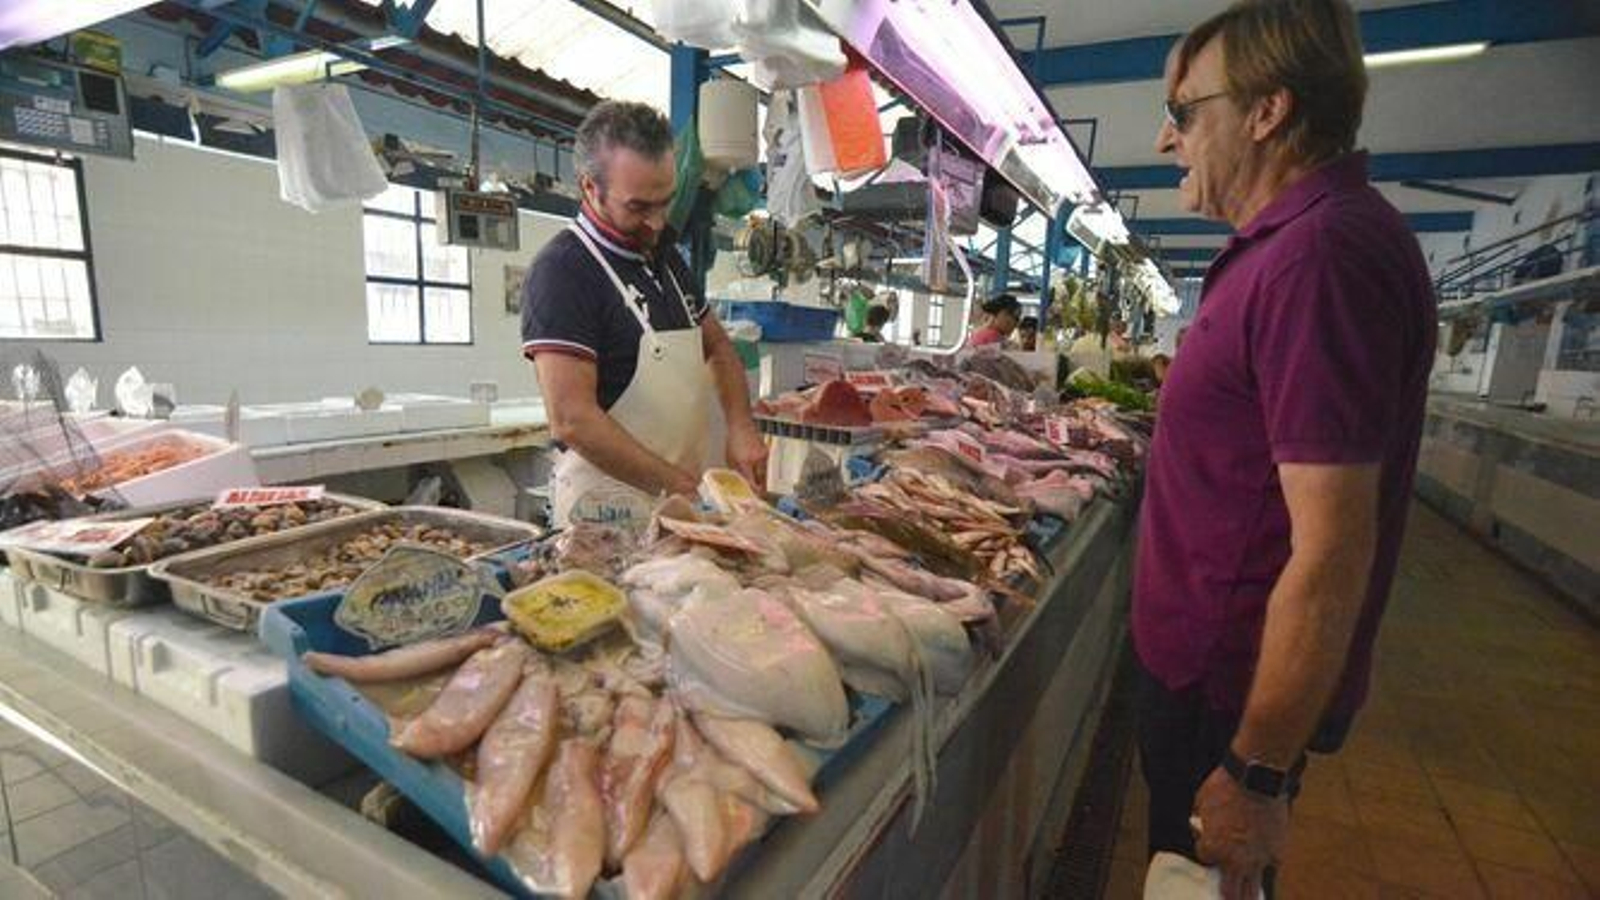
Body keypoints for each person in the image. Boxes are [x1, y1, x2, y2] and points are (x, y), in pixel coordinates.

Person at [1134, 2, 1435, 898]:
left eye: (1186, 113)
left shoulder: (1319, 259)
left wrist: (1257, 771)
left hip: (1226, 699)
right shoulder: (1291, 248)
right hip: (1211, 678)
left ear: (1268, 110)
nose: (1165, 140)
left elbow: (1335, 548)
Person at [521, 101, 767, 528]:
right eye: (638, 208)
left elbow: (719, 347)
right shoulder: (564, 270)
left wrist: (741, 427)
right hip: (604, 517)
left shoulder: (665, 258)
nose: (656, 223)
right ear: (589, 188)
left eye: (665, 202)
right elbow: (572, 419)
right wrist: (686, 490)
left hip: (675, 503)